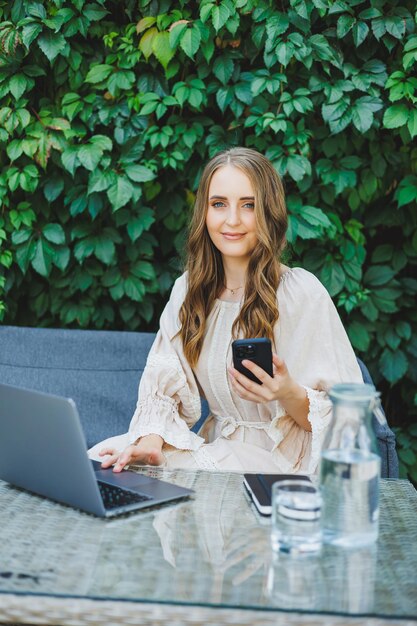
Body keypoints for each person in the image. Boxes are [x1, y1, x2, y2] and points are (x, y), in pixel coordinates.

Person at [88, 147, 362, 474]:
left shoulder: (300, 292)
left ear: (269, 212)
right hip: (220, 450)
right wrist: (149, 444)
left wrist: (286, 391)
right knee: (104, 456)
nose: (232, 220)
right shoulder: (190, 290)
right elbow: (162, 387)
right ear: (204, 212)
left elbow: (346, 419)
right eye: (219, 204)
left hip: (283, 461)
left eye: (248, 205)